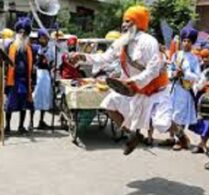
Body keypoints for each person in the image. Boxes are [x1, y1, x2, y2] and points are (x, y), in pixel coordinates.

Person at [71, 5, 176, 155]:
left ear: (138, 23)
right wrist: (84, 57)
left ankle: (178, 132)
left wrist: (133, 81)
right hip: (134, 88)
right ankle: (133, 135)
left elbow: (153, 70)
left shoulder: (148, 42)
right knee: (108, 104)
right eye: (124, 21)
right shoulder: (121, 42)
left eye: (128, 21)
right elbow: (104, 58)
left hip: (155, 88)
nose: (123, 25)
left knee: (160, 124)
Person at [5, 17, 35, 134]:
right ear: (17, 32)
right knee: (10, 105)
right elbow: (5, 63)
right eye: (20, 31)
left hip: (24, 81)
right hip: (12, 80)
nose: (22, 34)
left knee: (23, 105)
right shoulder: (10, 46)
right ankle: (7, 126)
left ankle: (21, 126)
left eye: (25, 32)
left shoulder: (30, 48)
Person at [31, 28, 55, 130]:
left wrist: (47, 59)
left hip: (46, 75)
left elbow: (52, 61)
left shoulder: (51, 49)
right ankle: (31, 122)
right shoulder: (35, 48)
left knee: (45, 97)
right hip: (37, 74)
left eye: (45, 37)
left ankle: (41, 121)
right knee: (34, 98)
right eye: (41, 37)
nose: (43, 39)